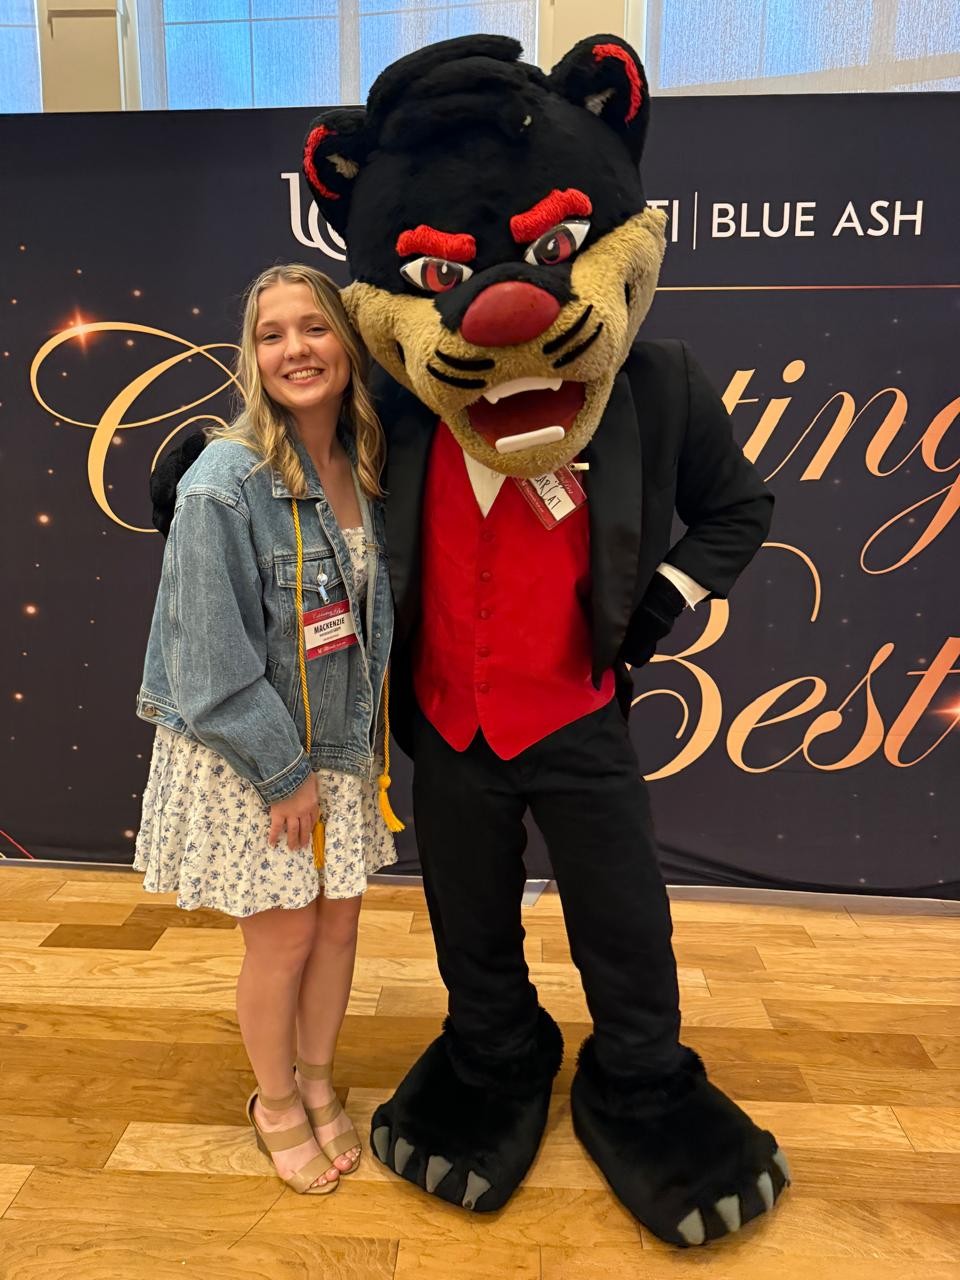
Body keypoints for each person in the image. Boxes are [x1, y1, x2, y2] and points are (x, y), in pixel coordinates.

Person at [134, 264, 399, 1195]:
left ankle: (320, 1082)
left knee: (339, 931)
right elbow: (207, 665)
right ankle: (275, 1102)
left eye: (314, 329)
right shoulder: (223, 480)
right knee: (283, 939)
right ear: (252, 356)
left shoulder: (365, 462)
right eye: (272, 333)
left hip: (337, 750)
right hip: (257, 755)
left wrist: (350, 762)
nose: (297, 349)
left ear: (346, 344)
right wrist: (284, 772)